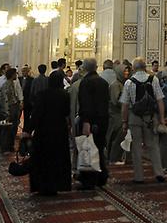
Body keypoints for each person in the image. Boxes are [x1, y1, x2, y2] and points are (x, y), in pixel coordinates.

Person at [23, 73, 72, 196]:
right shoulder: (65, 95)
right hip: (59, 131)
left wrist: (28, 130)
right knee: (57, 159)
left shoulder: (42, 95)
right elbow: (66, 112)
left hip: (44, 132)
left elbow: (36, 114)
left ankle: (42, 186)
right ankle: (56, 185)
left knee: (43, 159)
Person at [119, 58, 166, 183]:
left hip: (135, 117)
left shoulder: (129, 82)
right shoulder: (153, 79)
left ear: (133, 68)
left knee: (136, 147)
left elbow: (124, 104)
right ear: (145, 67)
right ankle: (159, 173)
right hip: (150, 117)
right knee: (153, 146)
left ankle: (139, 176)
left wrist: (124, 121)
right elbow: (160, 100)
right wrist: (161, 118)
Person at [77, 58, 110, 189]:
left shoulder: (86, 82)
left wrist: (86, 122)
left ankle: (88, 181)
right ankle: (102, 176)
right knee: (99, 148)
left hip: (91, 121)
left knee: (88, 149)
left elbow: (86, 104)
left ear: (84, 68)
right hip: (103, 120)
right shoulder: (103, 82)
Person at [107, 65, 130, 164]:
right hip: (116, 116)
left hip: (120, 115)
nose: (127, 73)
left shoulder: (122, 84)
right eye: (124, 72)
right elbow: (116, 101)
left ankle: (118, 157)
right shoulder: (115, 85)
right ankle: (113, 158)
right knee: (116, 138)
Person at [0, 68, 23, 152]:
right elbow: (4, 100)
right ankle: (5, 146)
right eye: (15, 74)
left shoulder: (12, 83)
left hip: (14, 108)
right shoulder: (6, 85)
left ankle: (10, 145)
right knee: (8, 129)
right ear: (12, 75)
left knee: (13, 129)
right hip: (10, 109)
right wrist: (7, 113)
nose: (17, 75)